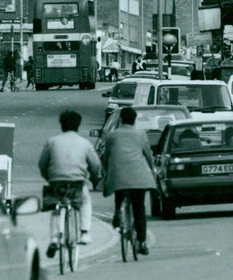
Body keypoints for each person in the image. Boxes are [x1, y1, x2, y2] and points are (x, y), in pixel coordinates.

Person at [38, 110, 102, 258]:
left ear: (62, 125)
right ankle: (85, 232)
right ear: (78, 125)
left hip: (56, 182)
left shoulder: (52, 142)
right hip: (77, 183)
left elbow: (42, 164)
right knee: (85, 201)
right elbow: (95, 166)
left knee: (55, 209)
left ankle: (54, 238)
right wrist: (94, 178)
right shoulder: (85, 143)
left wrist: (49, 178)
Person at [101, 106, 156, 255]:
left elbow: (106, 157)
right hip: (138, 176)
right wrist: (152, 169)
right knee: (139, 208)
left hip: (118, 175)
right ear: (134, 119)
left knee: (120, 189)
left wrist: (106, 171)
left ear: (121, 119)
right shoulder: (141, 135)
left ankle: (118, 211)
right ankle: (142, 242)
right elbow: (148, 155)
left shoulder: (112, 136)